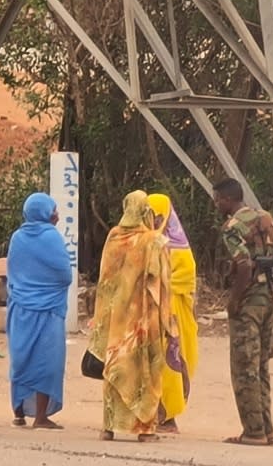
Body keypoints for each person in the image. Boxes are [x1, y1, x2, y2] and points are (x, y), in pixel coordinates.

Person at [87, 190, 174, 443]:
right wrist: (167, 319)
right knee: (145, 370)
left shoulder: (113, 237)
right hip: (143, 321)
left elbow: (105, 280)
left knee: (115, 368)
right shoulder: (153, 242)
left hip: (115, 319)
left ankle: (108, 428)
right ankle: (144, 429)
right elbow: (160, 282)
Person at [212, 177, 273, 446]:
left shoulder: (232, 227)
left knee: (244, 367)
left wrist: (234, 301)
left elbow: (242, 266)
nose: (216, 204)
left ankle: (253, 431)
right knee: (261, 364)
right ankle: (267, 428)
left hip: (250, 300)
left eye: (218, 200)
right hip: (270, 298)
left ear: (228, 200)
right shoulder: (266, 218)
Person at [6, 192, 72, 430]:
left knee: (21, 358)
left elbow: (12, 270)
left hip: (20, 307)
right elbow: (65, 275)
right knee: (47, 362)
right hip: (48, 310)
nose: (57, 214)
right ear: (45, 212)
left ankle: (19, 413)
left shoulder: (17, 237)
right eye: (53, 210)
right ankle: (41, 417)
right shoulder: (51, 237)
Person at [147, 193, 198, 434]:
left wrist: (160, 287)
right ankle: (154, 413)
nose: (154, 220)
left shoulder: (179, 248)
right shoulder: (148, 241)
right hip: (152, 313)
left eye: (158, 215)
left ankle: (168, 418)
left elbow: (185, 280)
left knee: (171, 365)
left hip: (174, 315)